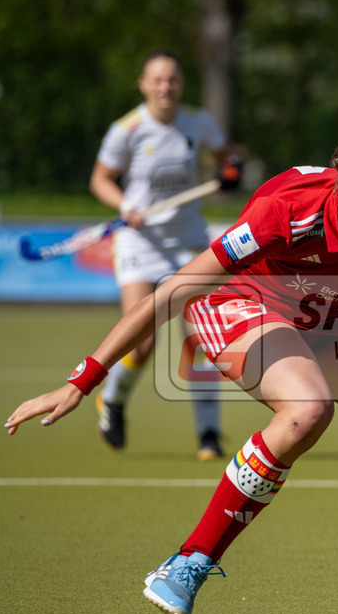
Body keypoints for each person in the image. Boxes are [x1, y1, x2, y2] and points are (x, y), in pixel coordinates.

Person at [6, 138, 338, 614]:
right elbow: (176, 290)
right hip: (246, 303)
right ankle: (190, 560)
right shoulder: (288, 210)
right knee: (308, 409)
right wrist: (85, 377)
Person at [89, 48, 243, 461]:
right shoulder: (128, 130)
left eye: (172, 79)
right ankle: (114, 400)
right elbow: (101, 179)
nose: (165, 87)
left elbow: (227, 159)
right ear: (143, 84)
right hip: (141, 243)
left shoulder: (199, 122)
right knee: (141, 342)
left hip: (189, 242)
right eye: (157, 80)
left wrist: (229, 172)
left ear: (181, 84)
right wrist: (124, 206)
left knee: (204, 338)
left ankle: (209, 434)